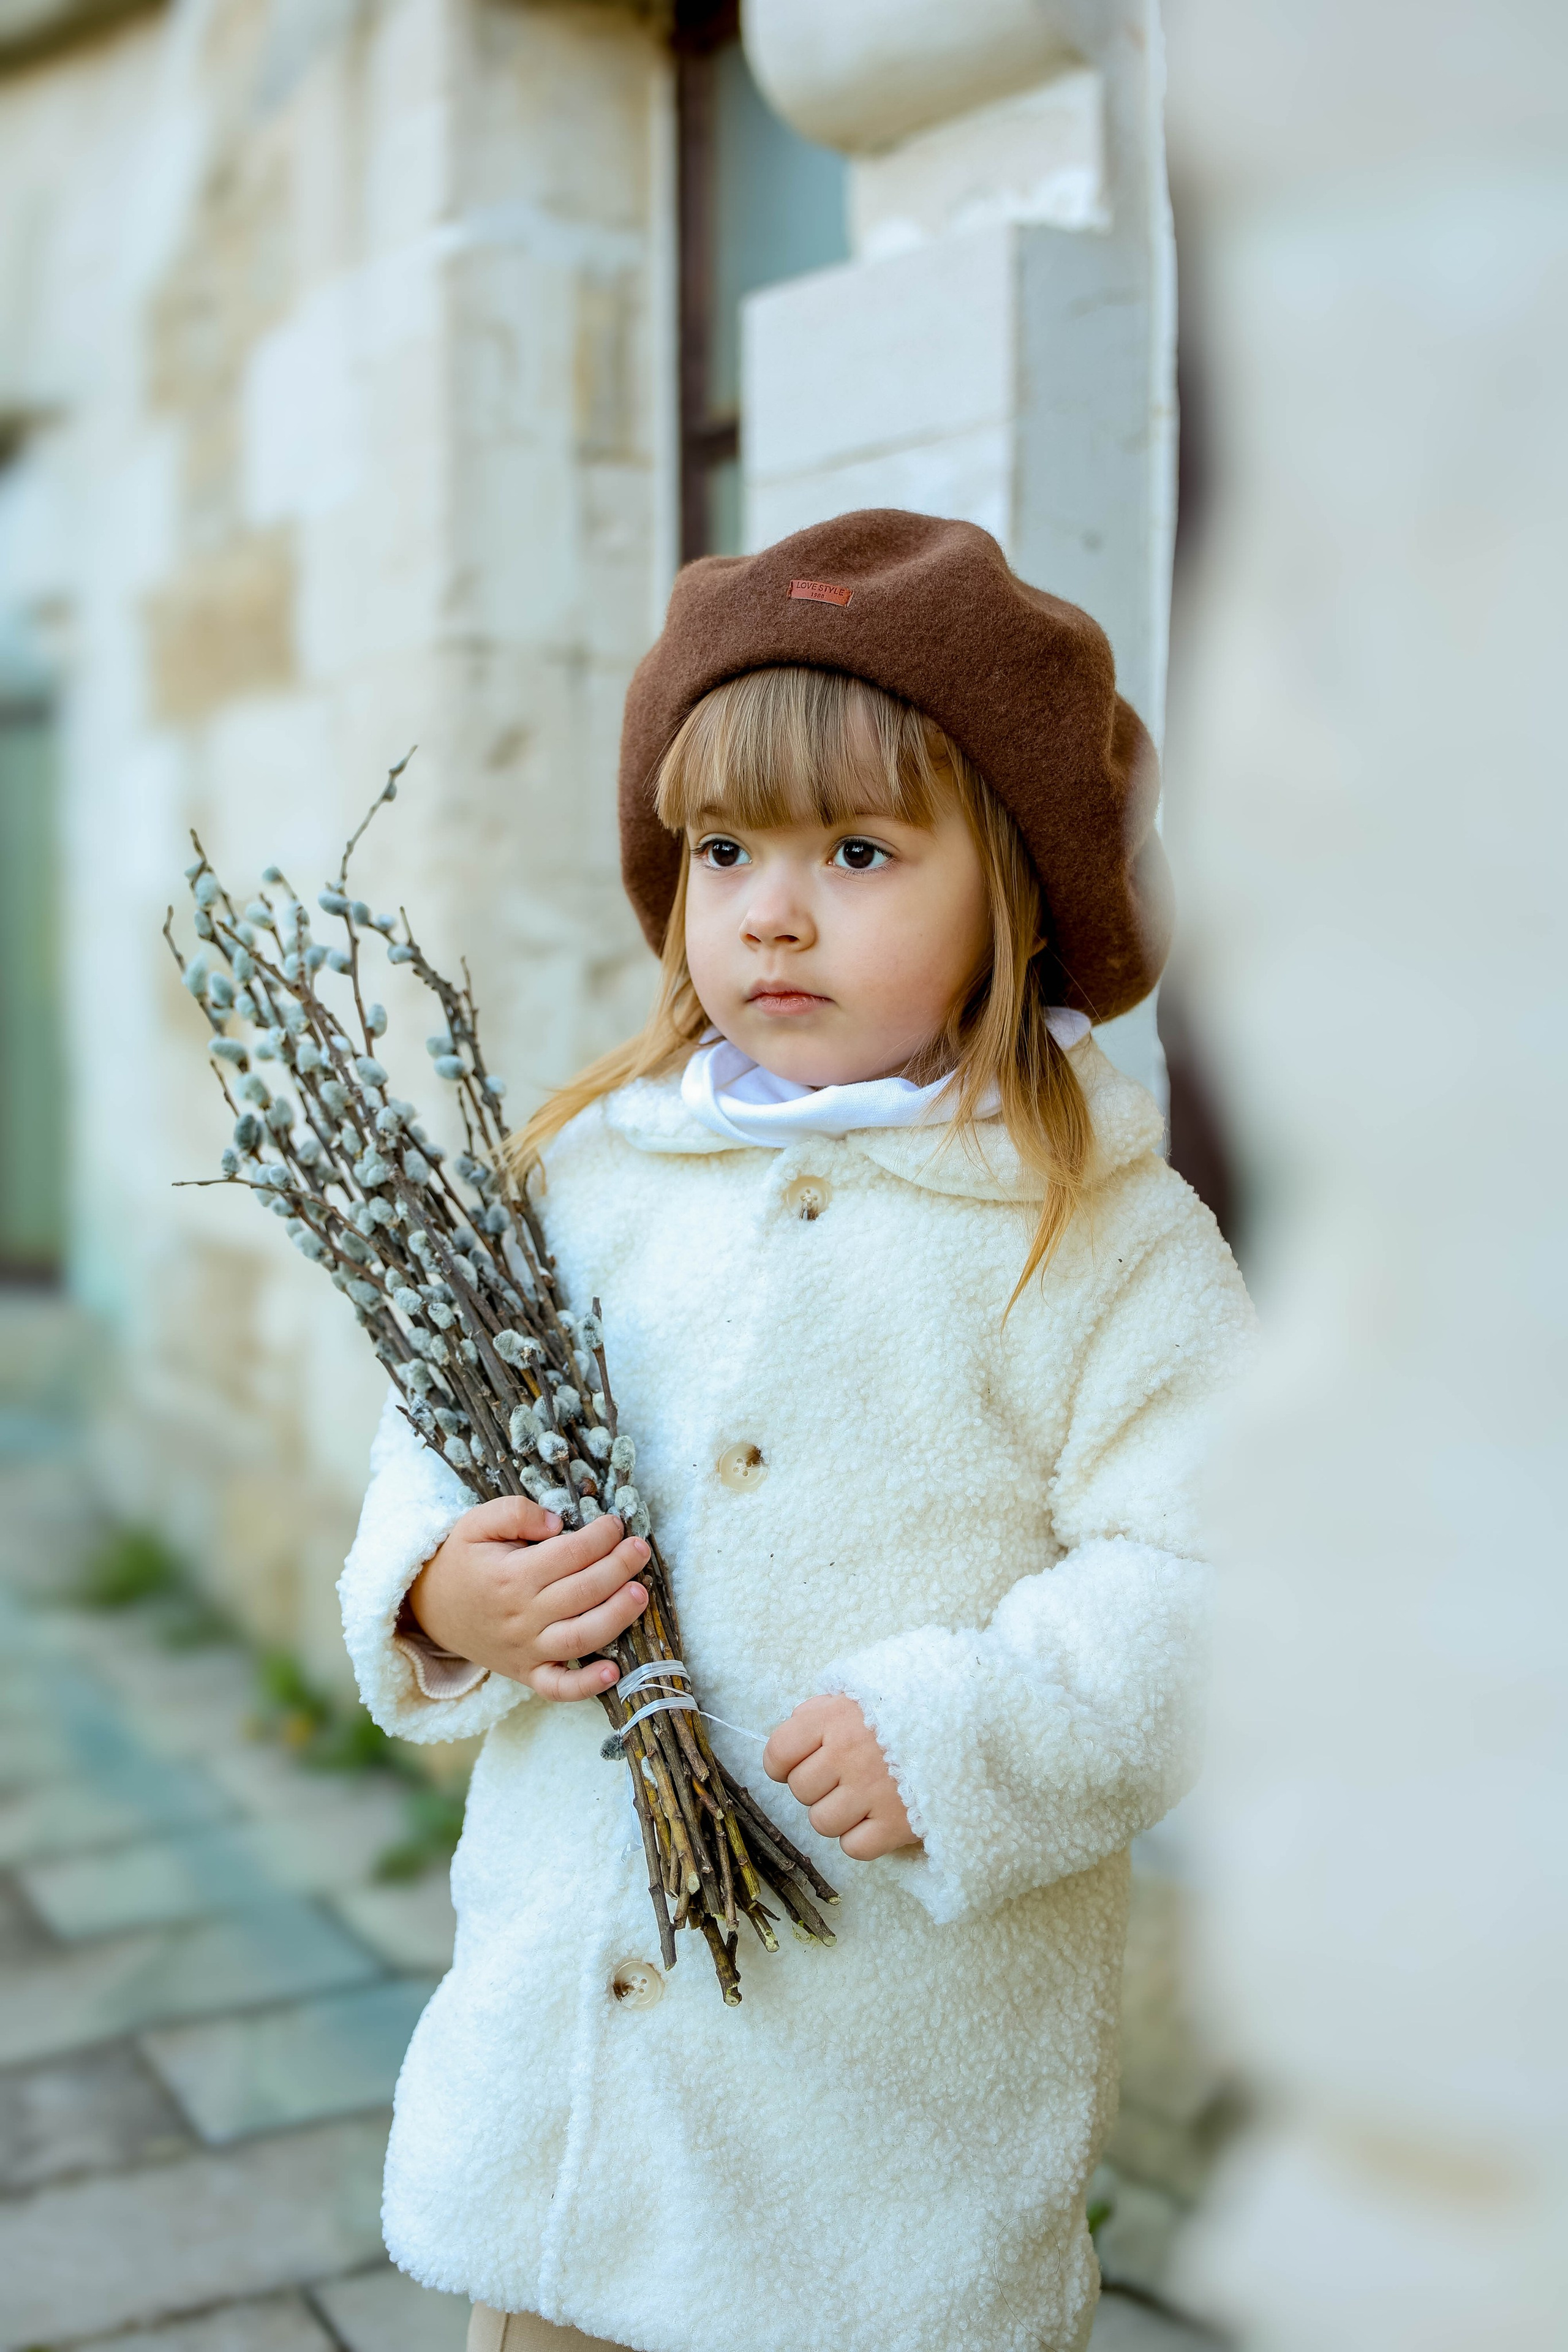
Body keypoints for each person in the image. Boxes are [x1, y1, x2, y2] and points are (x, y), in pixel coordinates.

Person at [339, 510, 1253, 2352]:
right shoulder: (592, 1180)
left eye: (856, 850)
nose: (769, 906)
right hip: (582, 2125)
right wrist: (445, 1592)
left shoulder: (1094, 1239)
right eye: (726, 848)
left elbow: (1222, 1572)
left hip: (876, 2123)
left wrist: (973, 1731)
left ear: (1010, 885)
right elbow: (441, 1432)